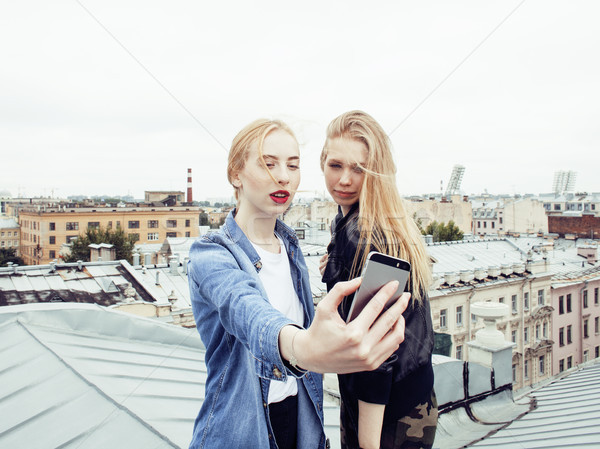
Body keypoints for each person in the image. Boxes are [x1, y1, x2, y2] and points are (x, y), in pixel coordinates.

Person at [187, 118, 411, 449]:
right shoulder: (211, 253)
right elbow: (247, 311)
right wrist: (304, 349)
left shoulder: (290, 248)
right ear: (235, 173)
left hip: (301, 425)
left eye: (293, 165)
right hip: (241, 430)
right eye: (268, 163)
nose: (284, 176)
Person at [320, 110, 438, 449]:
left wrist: (368, 443)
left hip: (388, 410)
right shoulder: (358, 222)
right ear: (323, 163)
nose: (344, 180)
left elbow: (379, 350)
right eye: (336, 165)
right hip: (409, 394)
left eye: (359, 169)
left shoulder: (364, 234)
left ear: (377, 174)